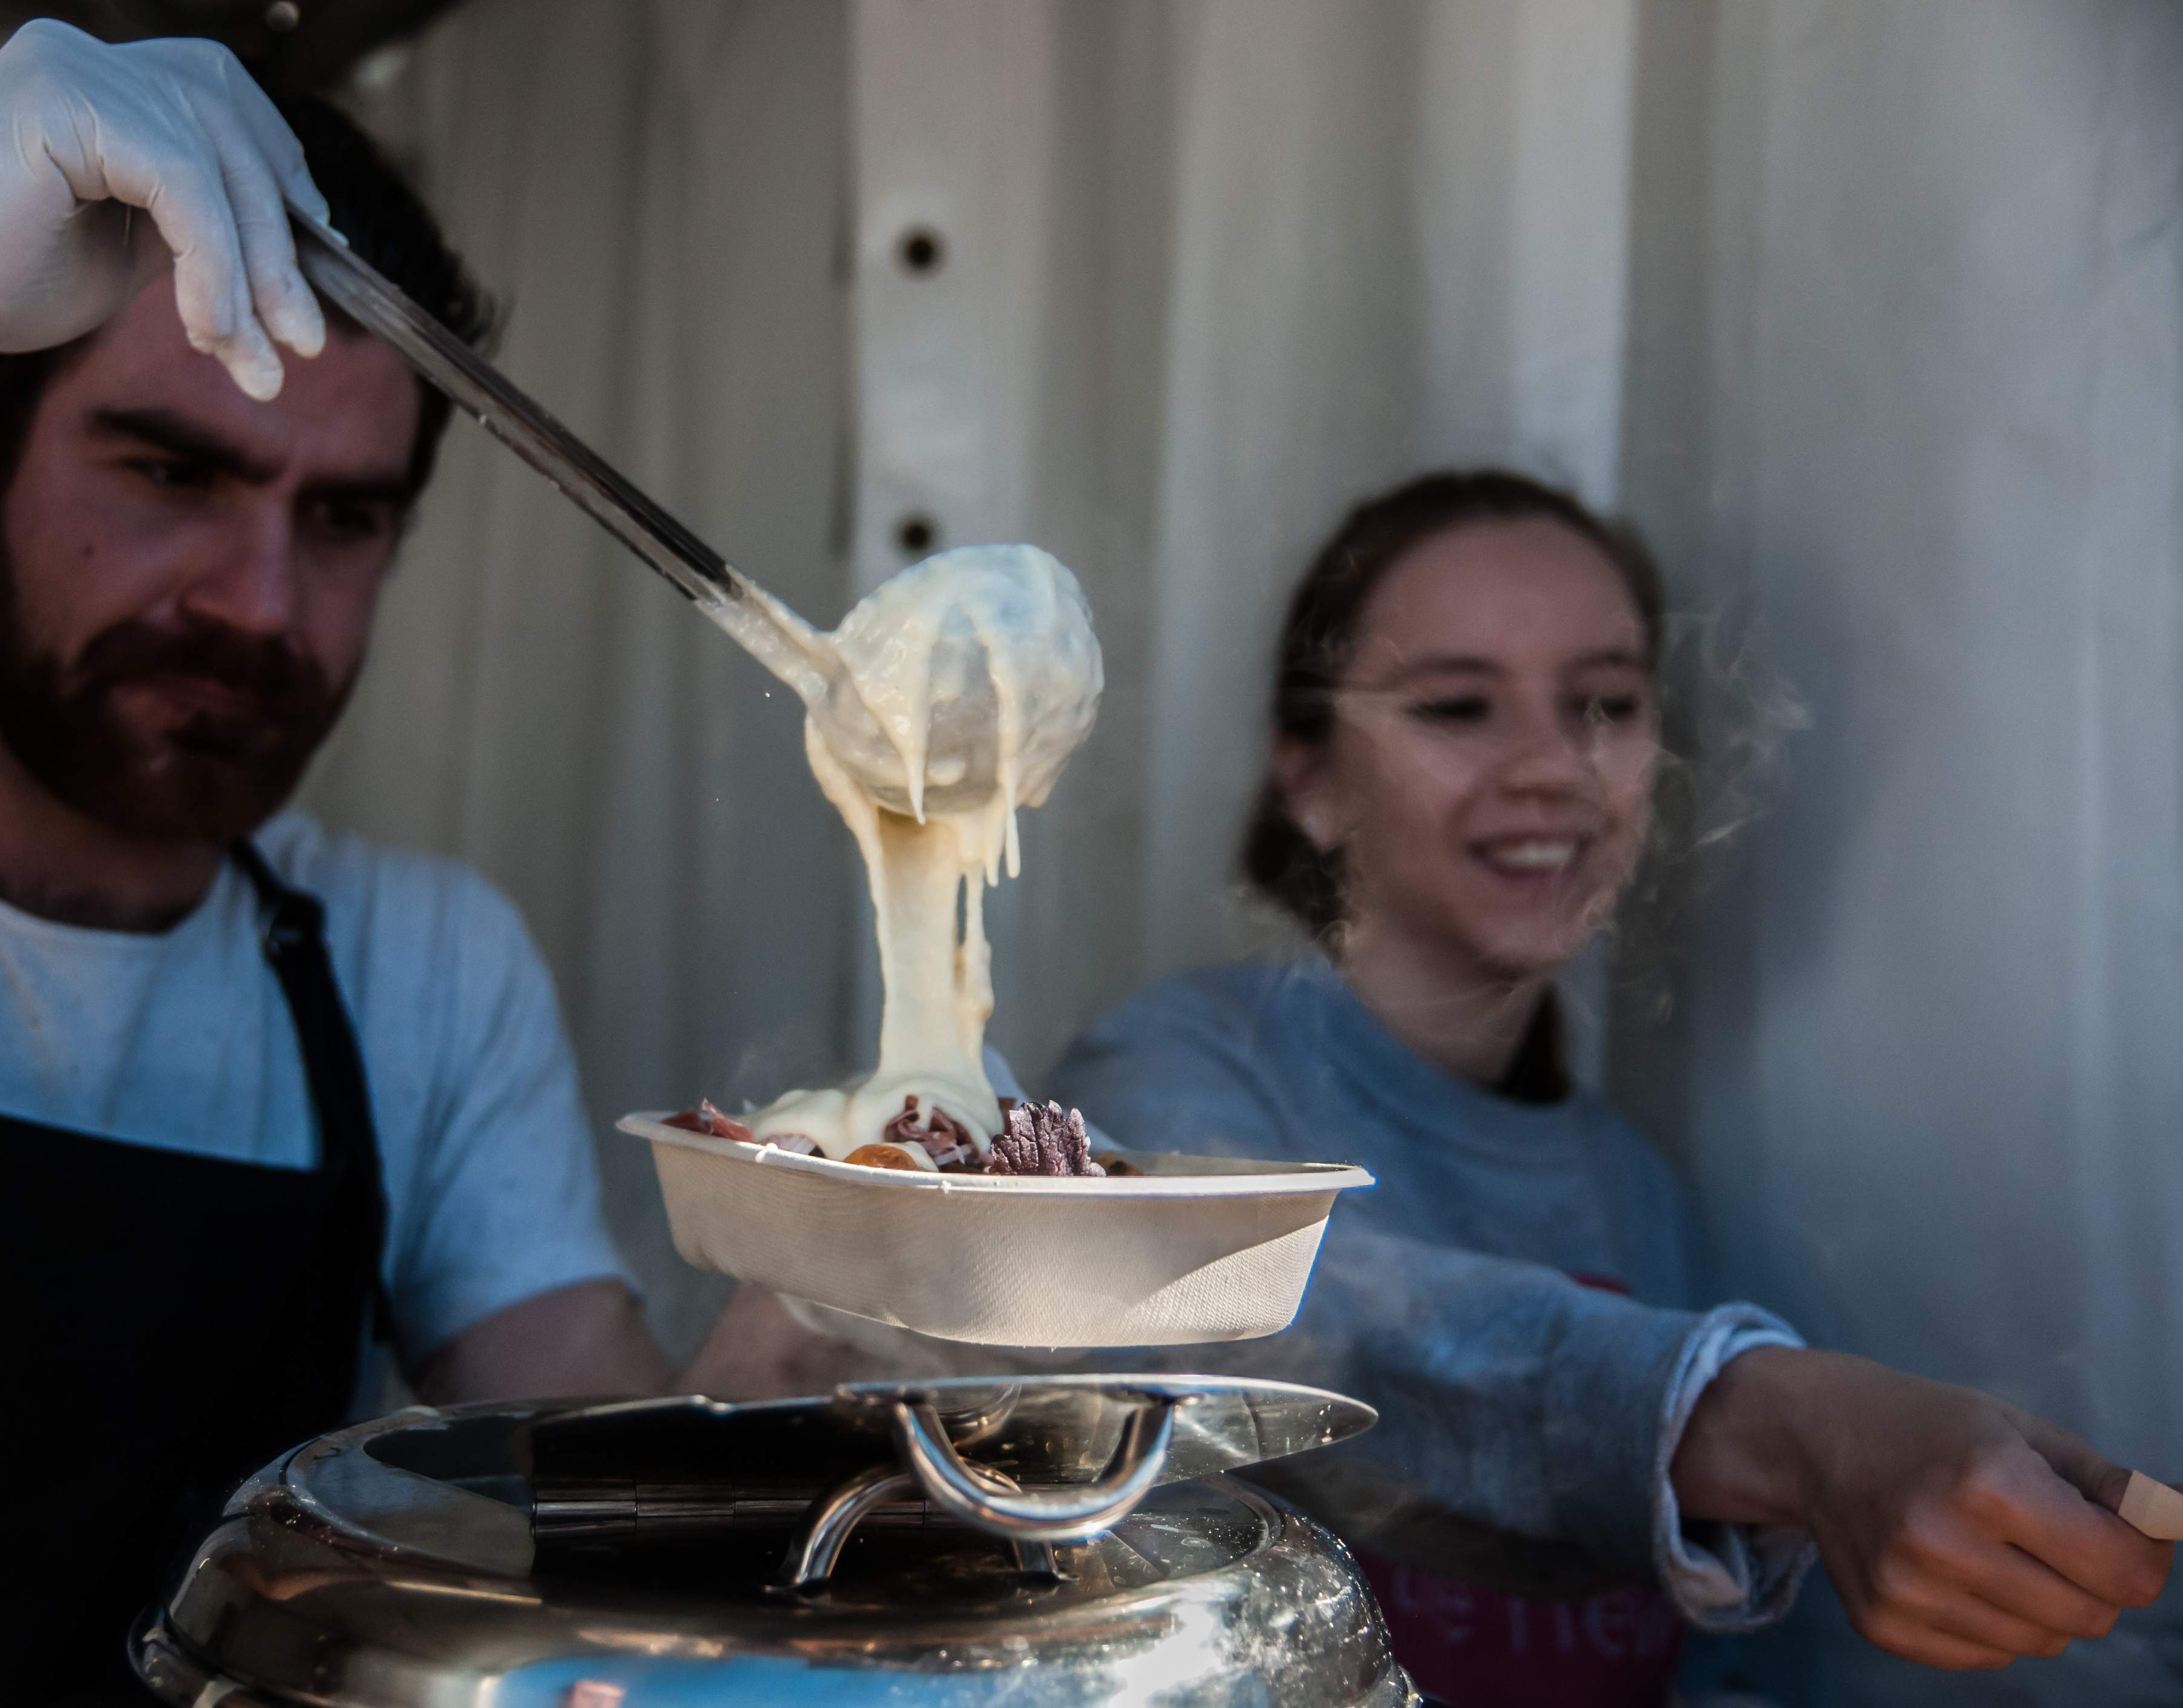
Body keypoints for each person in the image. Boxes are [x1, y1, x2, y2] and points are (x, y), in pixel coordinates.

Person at [685, 469, 2174, 1704]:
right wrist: (1784, 1419)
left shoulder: (1632, 1187)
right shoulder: (1171, 1073)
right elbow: (1284, 1319)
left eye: (1601, 701)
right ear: (1309, 776)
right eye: (1457, 707)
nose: (1547, 766)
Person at [0, 22, 667, 1703]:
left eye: (342, 516)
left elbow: (615, 1545)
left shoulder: (420, 970)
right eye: (171, 470)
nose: (257, 600)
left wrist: (863, 1336)